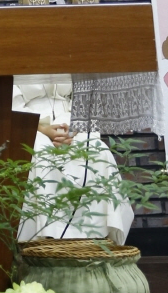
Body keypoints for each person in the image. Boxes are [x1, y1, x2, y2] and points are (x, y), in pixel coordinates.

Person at [12, 74, 133, 244]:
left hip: (69, 123)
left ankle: (94, 237)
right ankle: (43, 239)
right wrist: (42, 128)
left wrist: (72, 127)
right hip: (26, 123)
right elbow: (9, 104)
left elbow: (82, 102)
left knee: (98, 152)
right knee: (41, 153)